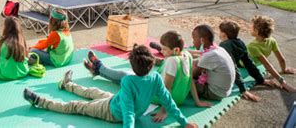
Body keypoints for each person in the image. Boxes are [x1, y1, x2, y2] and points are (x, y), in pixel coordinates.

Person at [23, 45, 197, 128]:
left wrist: (185, 122)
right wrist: (185, 122)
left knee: (75, 106)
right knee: (93, 91)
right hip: (115, 101)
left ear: (132, 65)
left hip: (112, 112)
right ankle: (67, 85)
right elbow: (169, 103)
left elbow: (128, 114)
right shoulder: (155, 79)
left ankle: (39, 101)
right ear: (151, 65)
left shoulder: (129, 81)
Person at [84, 32, 210, 122]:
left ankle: (99, 67)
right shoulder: (187, 55)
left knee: (126, 75)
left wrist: (163, 111)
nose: (163, 53)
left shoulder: (172, 61)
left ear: (176, 49)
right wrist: (197, 101)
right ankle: (98, 70)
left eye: (165, 50)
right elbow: (190, 81)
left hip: (155, 94)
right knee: (129, 73)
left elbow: (166, 89)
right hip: (177, 98)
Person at [218, 20, 279, 101]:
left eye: (219, 32)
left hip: (225, 71)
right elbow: (249, 62)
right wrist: (260, 79)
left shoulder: (223, 46)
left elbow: (233, 67)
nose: (218, 33)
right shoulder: (240, 42)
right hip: (234, 66)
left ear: (223, 34)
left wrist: (243, 89)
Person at [247, 15, 296, 92]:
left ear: (256, 31)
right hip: (256, 62)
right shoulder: (272, 40)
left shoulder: (252, 46)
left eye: (251, 27)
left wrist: (283, 82)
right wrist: (284, 69)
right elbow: (281, 59)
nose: (249, 28)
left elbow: (268, 66)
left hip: (243, 64)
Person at [191, 24, 236, 100]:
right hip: (226, 91)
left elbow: (193, 75)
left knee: (184, 80)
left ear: (202, 40)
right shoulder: (219, 49)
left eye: (194, 39)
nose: (193, 42)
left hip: (215, 93)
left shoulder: (208, 56)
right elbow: (201, 56)